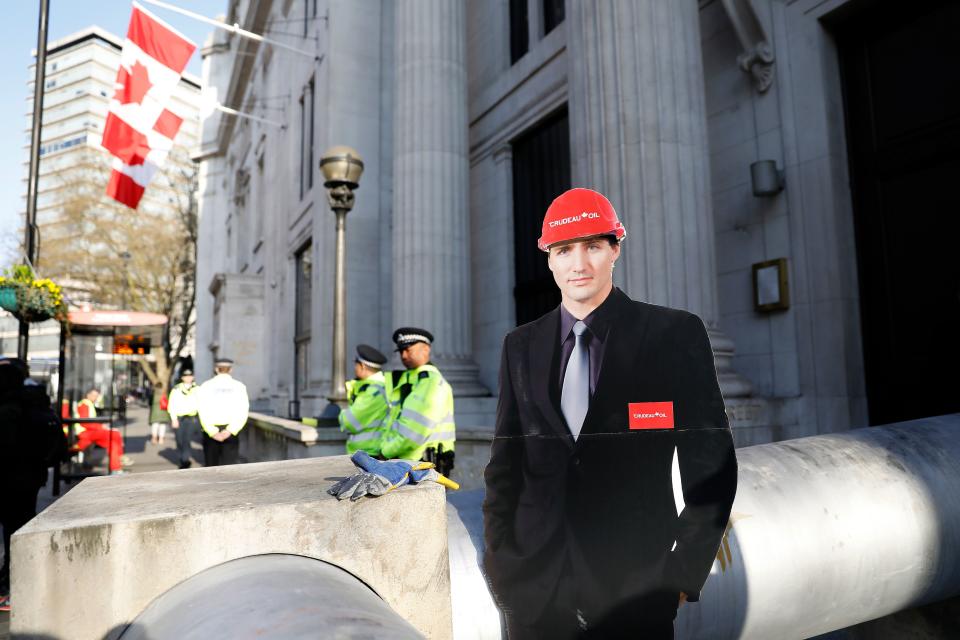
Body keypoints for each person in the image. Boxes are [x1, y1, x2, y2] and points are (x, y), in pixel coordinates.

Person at [482, 188, 738, 638]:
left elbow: (712, 463)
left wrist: (683, 570)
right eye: (564, 250)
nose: (578, 264)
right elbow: (506, 463)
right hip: (535, 592)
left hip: (636, 590)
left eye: (593, 247)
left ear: (615, 250)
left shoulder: (672, 334)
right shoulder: (518, 346)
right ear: (549, 260)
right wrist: (502, 560)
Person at [0, 358, 56, 611]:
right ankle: (14, 576)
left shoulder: (8, 408)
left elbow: (7, 446)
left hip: (10, 476)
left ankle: (13, 582)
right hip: (31, 476)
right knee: (19, 524)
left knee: (12, 526)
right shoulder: (33, 401)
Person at [380, 328, 456, 477]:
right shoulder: (412, 379)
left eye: (408, 350)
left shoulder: (429, 382)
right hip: (412, 462)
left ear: (426, 349)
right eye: (401, 351)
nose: (403, 355)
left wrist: (384, 452)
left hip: (420, 464)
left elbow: (413, 432)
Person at [339, 344, 391, 456]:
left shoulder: (373, 391)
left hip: (370, 453)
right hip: (368, 452)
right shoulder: (378, 387)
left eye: (356, 364)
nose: (354, 368)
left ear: (362, 366)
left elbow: (349, 421)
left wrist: (342, 413)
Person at [196, 357, 249, 466]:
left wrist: (212, 431)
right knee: (229, 467)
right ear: (231, 370)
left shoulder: (206, 386)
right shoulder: (239, 386)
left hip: (211, 432)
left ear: (216, 369)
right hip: (230, 431)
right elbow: (243, 411)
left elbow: (202, 409)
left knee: (211, 467)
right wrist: (230, 430)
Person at [73, 388, 130, 475]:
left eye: (96, 396)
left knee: (113, 442)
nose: (95, 398)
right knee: (114, 434)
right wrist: (102, 427)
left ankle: (116, 468)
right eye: (93, 395)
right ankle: (120, 459)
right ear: (88, 395)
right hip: (86, 433)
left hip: (90, 432)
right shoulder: (84, 404)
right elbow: (85, 423)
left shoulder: (88, 404)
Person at [168, 369, 200, 469]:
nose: (188, 377)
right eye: (185, 376)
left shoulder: (198, 389)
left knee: (187, 439)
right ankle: (182, 457)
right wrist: (173, 419)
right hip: (179, 419)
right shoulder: (176, 389)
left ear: (193, 377)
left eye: (190, 375)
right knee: (179, 440)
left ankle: (185, 461)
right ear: (182, 377)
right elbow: (171, 405)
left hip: (192, 419)